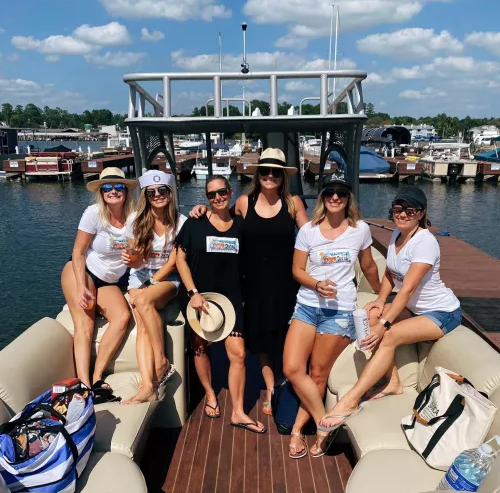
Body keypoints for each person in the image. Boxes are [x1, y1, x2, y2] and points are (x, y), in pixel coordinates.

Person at [318, 185, 462, 432]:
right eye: (398, 209)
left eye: (410, 210)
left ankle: (350, 400)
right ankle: (393, 381)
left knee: (389, 334)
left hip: (442, 313)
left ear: (421, 213)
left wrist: (385, 323)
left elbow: (407, 289)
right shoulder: (397, 235)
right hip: (415, 309)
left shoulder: (425, 243)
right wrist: (381, 300)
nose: (403, 214)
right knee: (372, 315)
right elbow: (390, 274)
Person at [190, 148, 308, 416]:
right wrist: (202, 209)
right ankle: (271, 389)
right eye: (265, 171)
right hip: (252, 283)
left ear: (283, 176)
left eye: (276, 172)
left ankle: (287, 384)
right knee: (261, 340)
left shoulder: (293, 203)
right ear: (258, 175)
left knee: (284, 338)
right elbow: (222, 217)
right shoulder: (244, 201)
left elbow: (311, 235)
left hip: (286, 283)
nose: (270, 176)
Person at [283, 176, 381, 458]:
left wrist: (383, 297)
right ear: (322, 197)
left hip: (339, 310)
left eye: (341, 193)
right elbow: (297, 270)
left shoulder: (360, 230)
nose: (335, 197)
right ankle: (324, 423)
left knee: (318, 373)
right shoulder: (308, 231)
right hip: (307, 305)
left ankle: (297, 431)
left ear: (348, 198)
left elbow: (369, 267)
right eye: (330, 192)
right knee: (292, 368)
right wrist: (316, 284)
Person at [176, 175, 266, 433]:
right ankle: (210, 393)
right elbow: (180, 259)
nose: (217, 197)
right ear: (206, 198)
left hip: (232, 299)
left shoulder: (241, 226)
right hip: (200, 297)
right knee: (200, 347)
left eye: (222, 192)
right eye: (211, 194)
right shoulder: (195, 223)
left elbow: (252, 262)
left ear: (230, 192)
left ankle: (238, 412)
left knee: (238, 354)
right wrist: (193, 293)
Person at [61, 167, 137, 390]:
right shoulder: (93, 213)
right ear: (101, 193)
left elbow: (137, 250)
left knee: (122, 317)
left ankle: (97, 377)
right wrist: (81, 286)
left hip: (110, 280)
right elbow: (78, 252)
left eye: (118, 186)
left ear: (126, 190)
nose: (113, 191)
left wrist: (134, 257)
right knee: (85, 324)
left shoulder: (135, 217)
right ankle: (84, 385)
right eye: (107, 188)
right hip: (83, 270)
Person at [121, 170, 187, 405]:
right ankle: (148, 386)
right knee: (141, 320)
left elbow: (172, 263)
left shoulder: (181, 222)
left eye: (162, 190)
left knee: (142, 300)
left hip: (169, 276)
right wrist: (132, 260)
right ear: (145, 196)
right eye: (151, 192)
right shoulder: (135, 221)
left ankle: (161, 361)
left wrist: (149, 284)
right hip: (140, 275)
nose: (157, 195)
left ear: (170, 193)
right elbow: (136, 260)